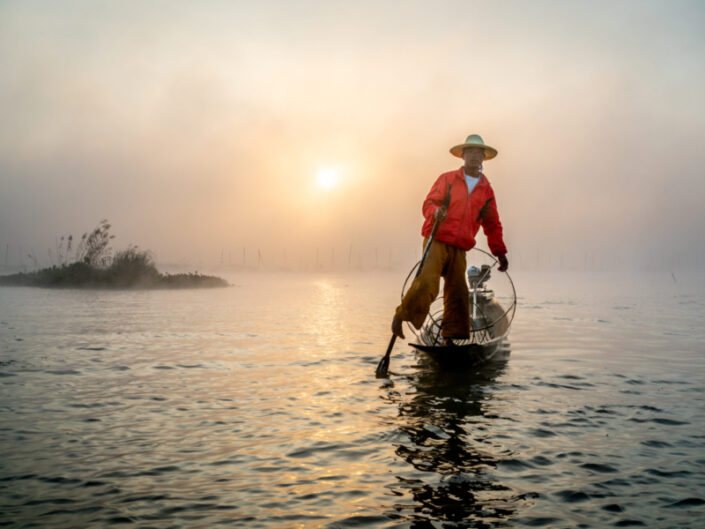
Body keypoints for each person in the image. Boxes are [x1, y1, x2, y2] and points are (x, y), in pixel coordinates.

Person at [391, 134, 508, 344]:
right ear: (463, 156)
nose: (474, 157)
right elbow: (429, 203)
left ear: (483, 158)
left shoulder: (486, 190)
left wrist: (500, 252)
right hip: (436, 238)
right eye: (470, 152)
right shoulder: (447, 179)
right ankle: (401, 316)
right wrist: (436, 212)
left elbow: (492, 224)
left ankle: (450, 339)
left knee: (458, 292)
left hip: (460, 246)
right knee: (427, 282)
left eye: (478, 153)